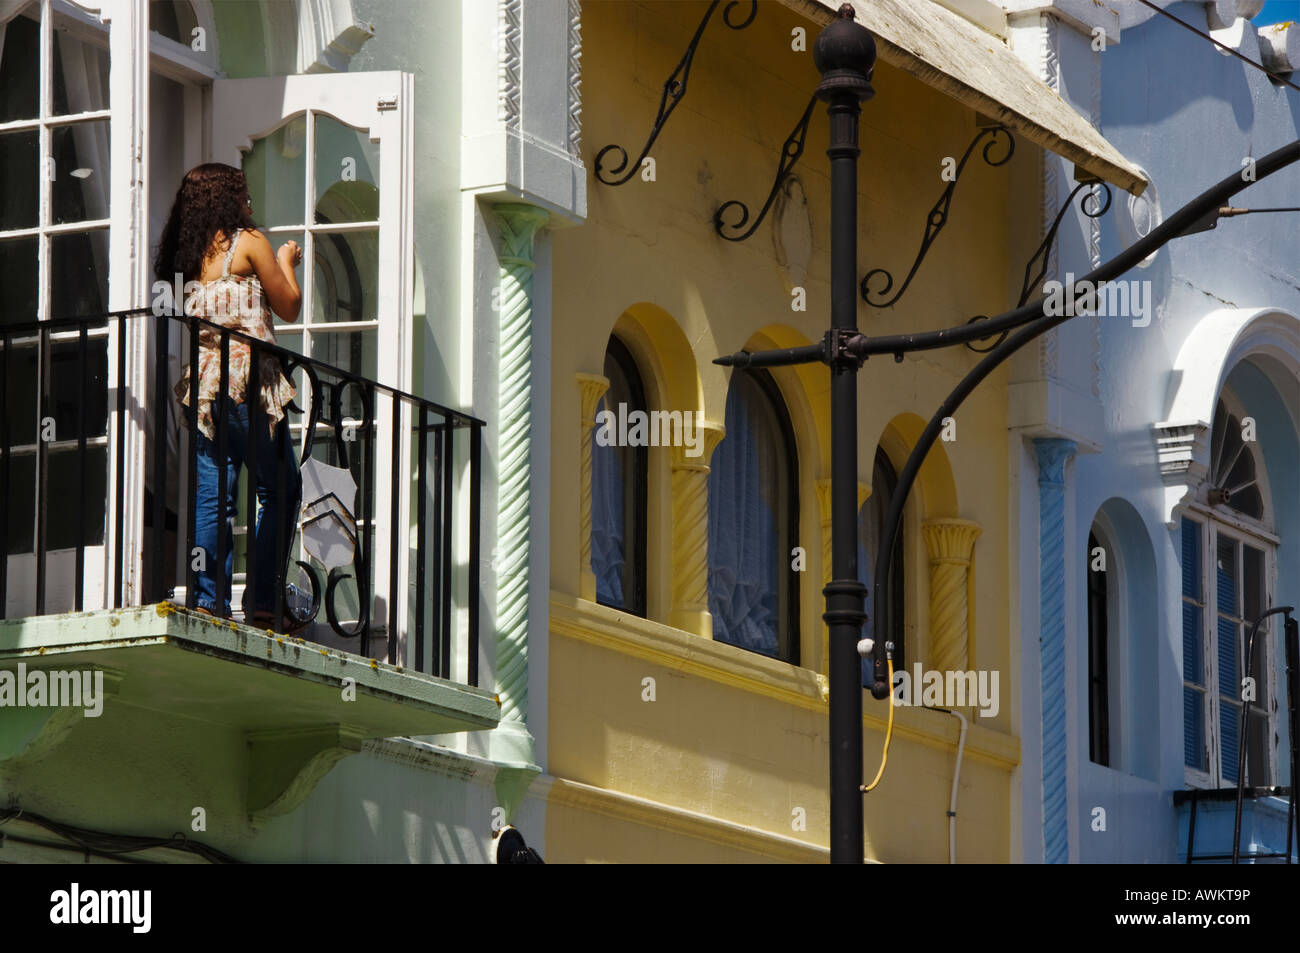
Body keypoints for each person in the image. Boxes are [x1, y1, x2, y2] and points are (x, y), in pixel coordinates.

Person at [153, 162, 306, 632]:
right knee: (279, 487)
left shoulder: (186, 256)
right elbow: (289, 304)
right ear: (226, 198)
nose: (249, 202)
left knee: (213, 495)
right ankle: (262, 600)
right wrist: (286, 263)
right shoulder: (249, 243)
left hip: (203, 388)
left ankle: (207, 601)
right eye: (242, 194)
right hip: (247, 383)